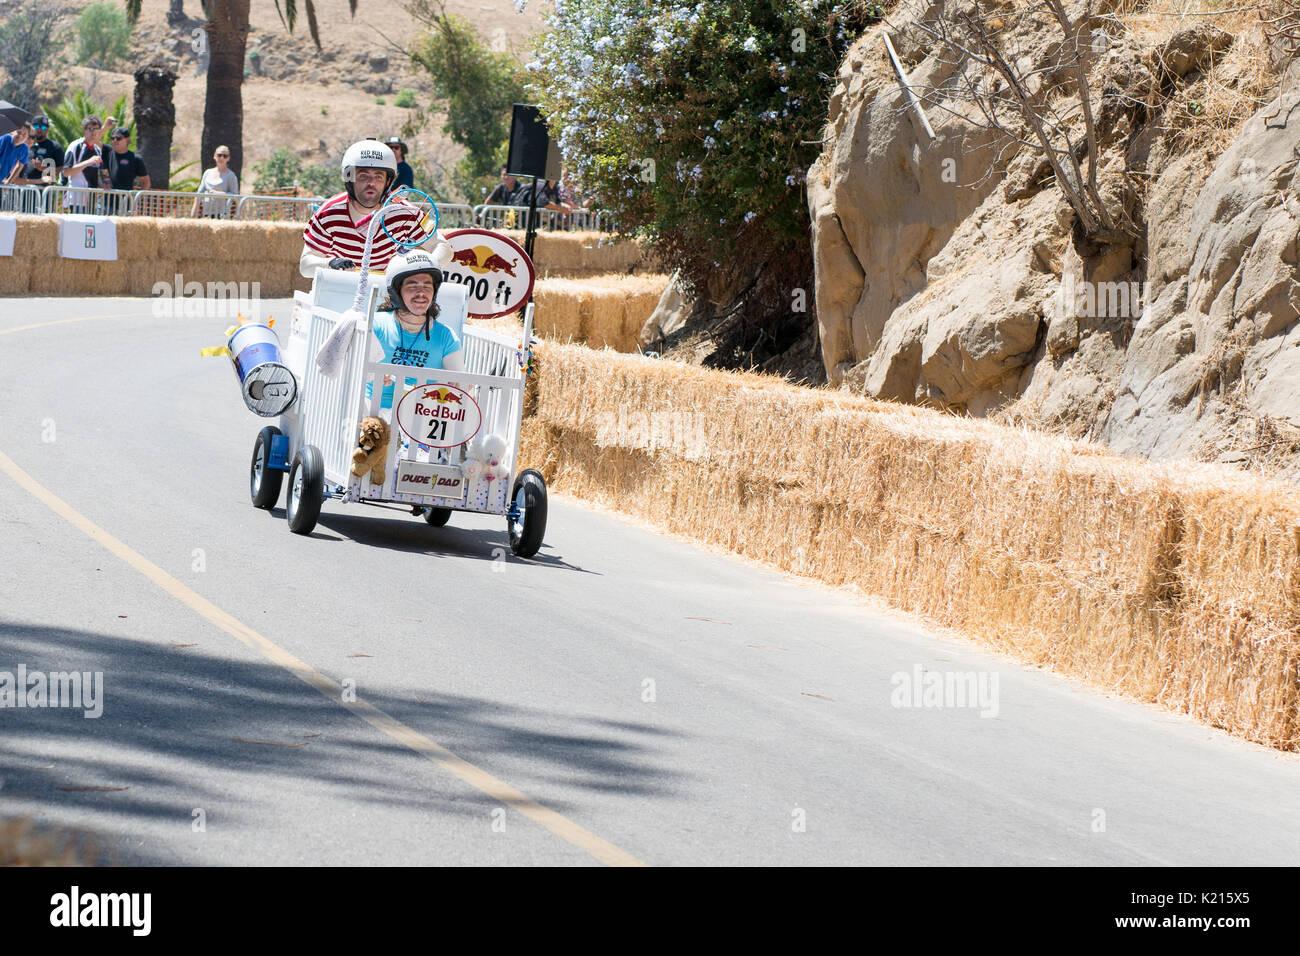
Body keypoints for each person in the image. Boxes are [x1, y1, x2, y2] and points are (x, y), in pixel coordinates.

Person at [299, 139, 450, 278]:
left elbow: (444, 247)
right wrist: (330, 263)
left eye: (378, 176)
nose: (371, 183)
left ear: (388, 181)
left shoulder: (405, 212)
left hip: (385, 293)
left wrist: (423, 268)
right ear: (349, 178)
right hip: (340, 288)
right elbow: (305, 265)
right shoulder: (328, 213)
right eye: (363, 175)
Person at [368, 250, 464, 409]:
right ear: (397, 292)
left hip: (422, 417)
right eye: (412, 286)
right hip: (374, 410)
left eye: (427, 285)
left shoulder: (446, 336)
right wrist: (372, 376)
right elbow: (355, 369)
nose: (421, 293)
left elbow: (462, 385)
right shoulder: (376, 325)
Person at [62, 116, 108, 212]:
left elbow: (95, 175)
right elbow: (66, 172)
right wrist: (87, 162)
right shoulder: (75, 146)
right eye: (90, 129)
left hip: (92, 201)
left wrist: (104, 185)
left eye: (97, 129)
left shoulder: (97, 150)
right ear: (84, 130)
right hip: (76, 200)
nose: (94, 132)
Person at [192, 145, 239, 218]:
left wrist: (218, 193)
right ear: (214, 156)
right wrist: (193, 212)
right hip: (206, 213)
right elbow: (199, 194)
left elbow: (235, 195)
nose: (222, 158)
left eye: (225, 156)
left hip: (222, 215)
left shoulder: (231, 176)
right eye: (219, 155)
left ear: (228, 158)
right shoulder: (207, 173)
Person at [18, 115, 63, 186]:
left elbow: (62, 170)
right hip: (23, 191)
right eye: (36, 126)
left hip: (44, 193)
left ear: (47, 129)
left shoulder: (55, 147)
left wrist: (44, 168)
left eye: (43, 127)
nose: (39, 130)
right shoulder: (22, 145)